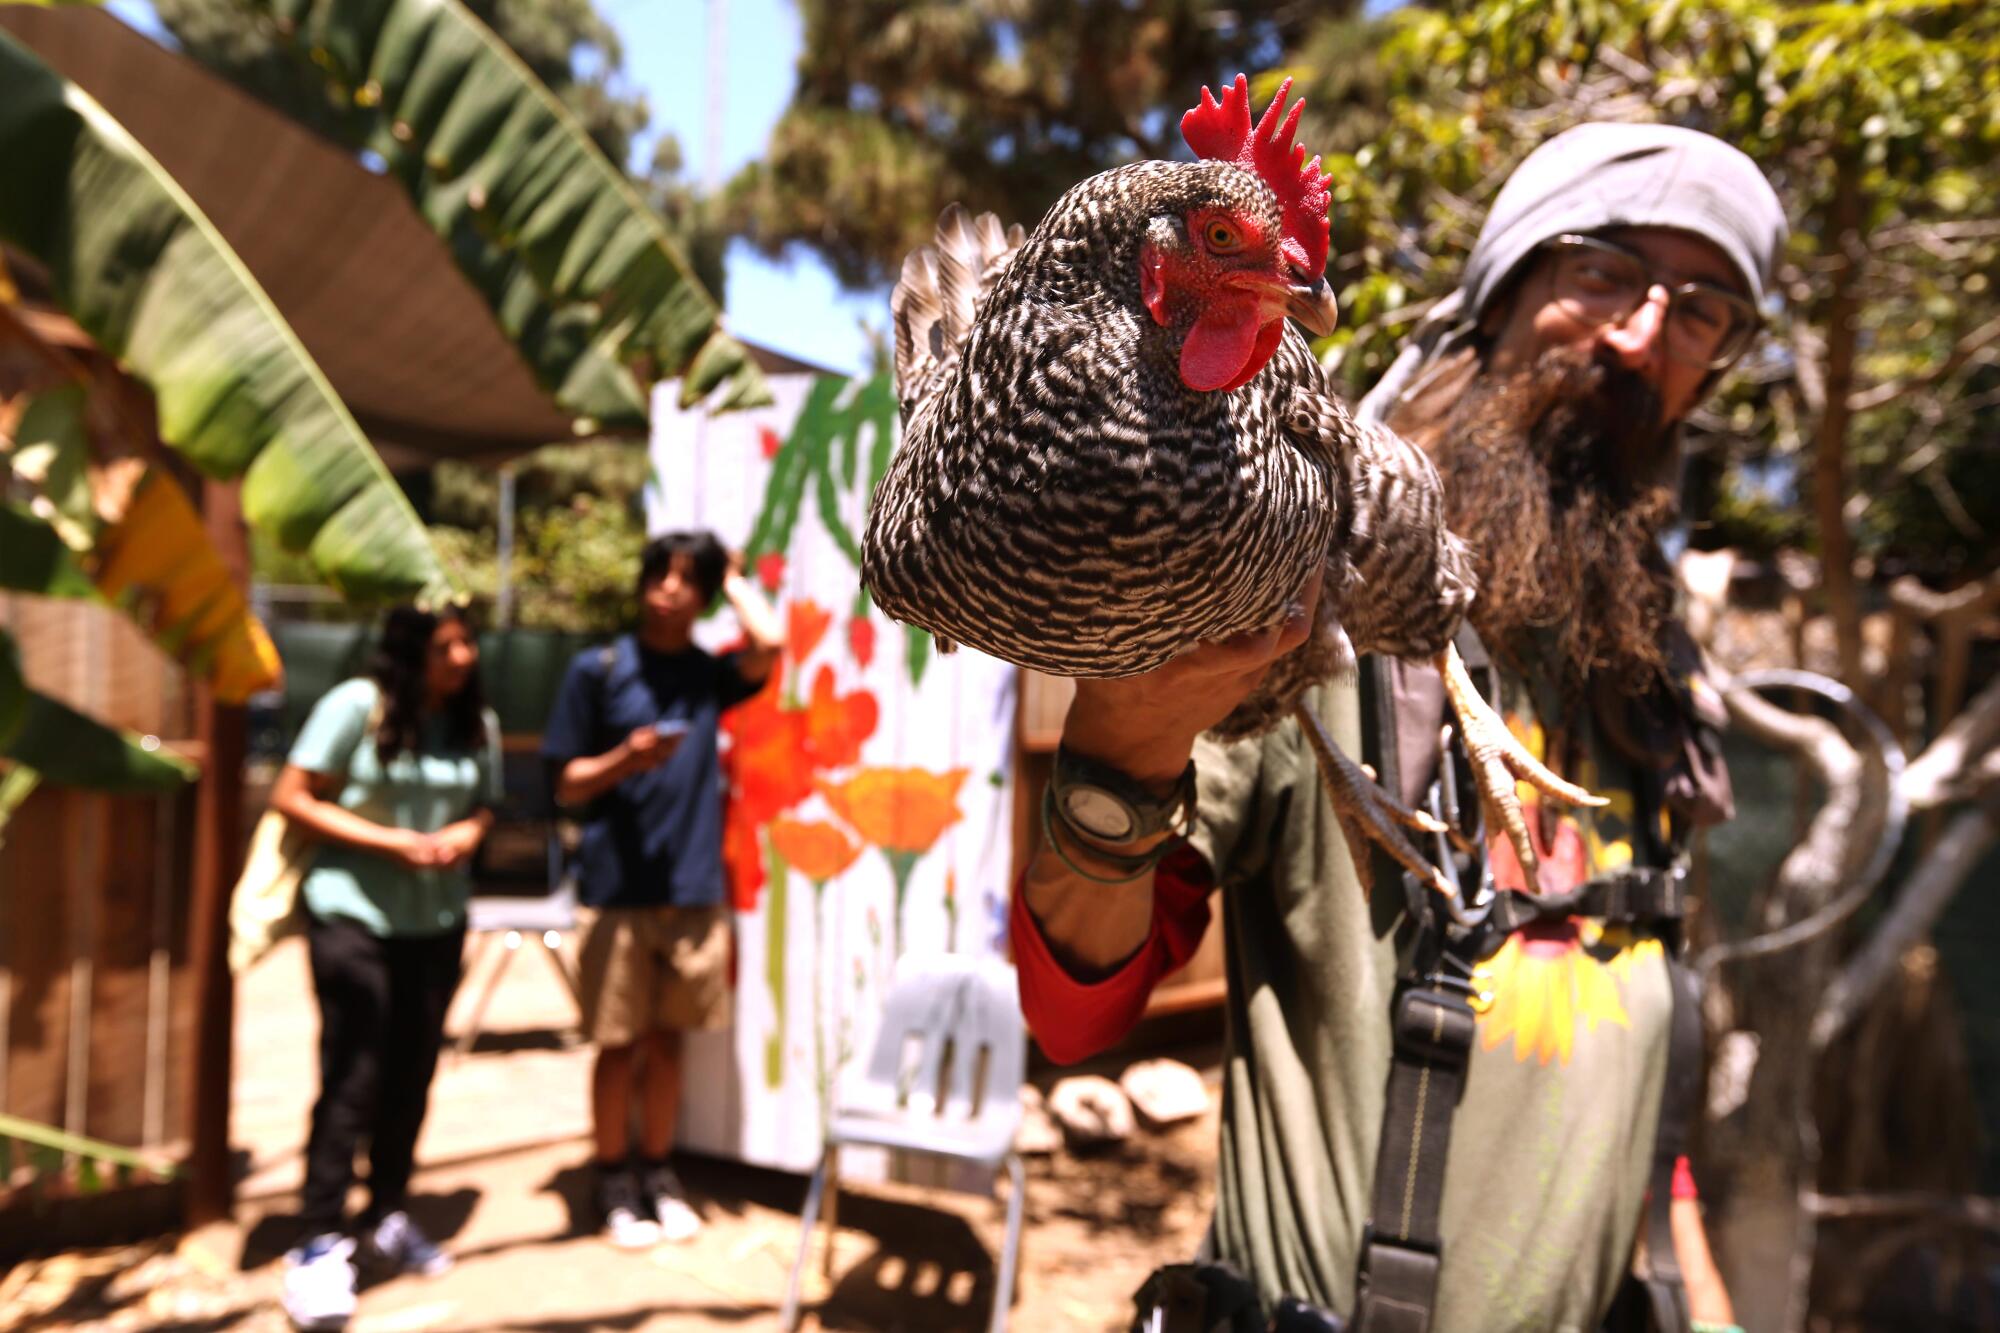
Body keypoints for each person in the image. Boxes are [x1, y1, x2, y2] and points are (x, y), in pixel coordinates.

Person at [1014, 123, 1785, 1333]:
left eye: (1700, 310)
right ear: (1505, 286)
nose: (1641, 331)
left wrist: (1704, 1301)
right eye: (1602, 270)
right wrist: (1120, 746)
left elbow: (1643, 1085)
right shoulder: (1313, 594)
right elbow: (1074, 1009)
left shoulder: (1650, 678)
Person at [542, 531, 781, 1247]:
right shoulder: (599, 668)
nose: (671, 588)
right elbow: (563, 783)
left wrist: (734, 580)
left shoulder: (708, 675)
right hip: (618, 891)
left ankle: (658, 1171)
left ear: (703, 595)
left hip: (693, 888)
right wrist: (626, 758)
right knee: (617, 1045)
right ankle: (611, 1178)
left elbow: (770, 644)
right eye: (661, 573)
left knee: (670, 1042)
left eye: (688, 579)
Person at [273, 605, 501, 1332]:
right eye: (446, 645)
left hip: (434, 922)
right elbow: (292, 796)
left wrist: (467, 830)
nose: (463, 656)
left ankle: (387, 1216)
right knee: (354, 1073)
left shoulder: (475, 721)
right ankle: (315, 1241)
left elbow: (485, 805)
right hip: (352, 916)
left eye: (468, 641)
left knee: (413, 1072)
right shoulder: (353, 706)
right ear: (409, 654)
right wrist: (390, 842)